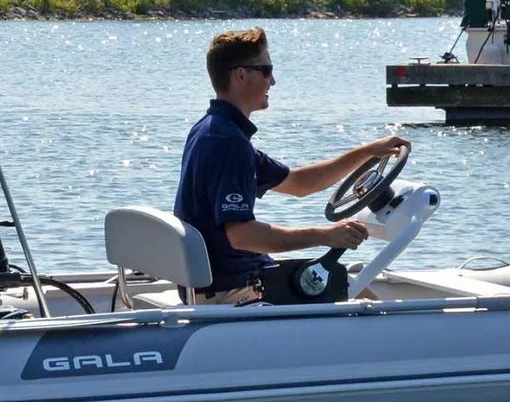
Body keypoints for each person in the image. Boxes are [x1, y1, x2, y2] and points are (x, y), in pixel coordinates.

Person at [174, 27, 409, 305]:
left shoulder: (212, 129)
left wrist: (366, 152)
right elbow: (243, 236)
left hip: (233, 278)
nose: (272, 81)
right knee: (361, 304)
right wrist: (327, 236)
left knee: (345, 282)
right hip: (232, 293)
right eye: (266, 70)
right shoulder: (228, 143)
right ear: (240, 75)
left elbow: (299, 183)